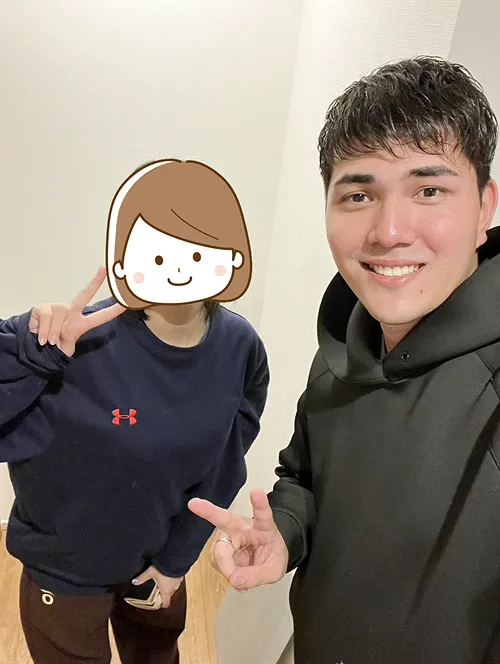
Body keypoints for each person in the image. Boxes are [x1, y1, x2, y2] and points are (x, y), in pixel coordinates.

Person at [188, 56, 500, 663]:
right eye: (359, 194)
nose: (389, 231)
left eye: (429, 190)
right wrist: (286, 530)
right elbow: (303, 476)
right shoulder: (344, 345)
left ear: (485, 207)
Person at [0, 159, 269, 664]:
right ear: (123, 262)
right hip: (65, 575)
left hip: (157, 564)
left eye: (199, 252)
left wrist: (176, 561)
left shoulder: (240, 347)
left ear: (233, 259)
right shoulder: (76, 343)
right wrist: (29, 351)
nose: (180, 268)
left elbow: (225, 461)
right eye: (160, 254)